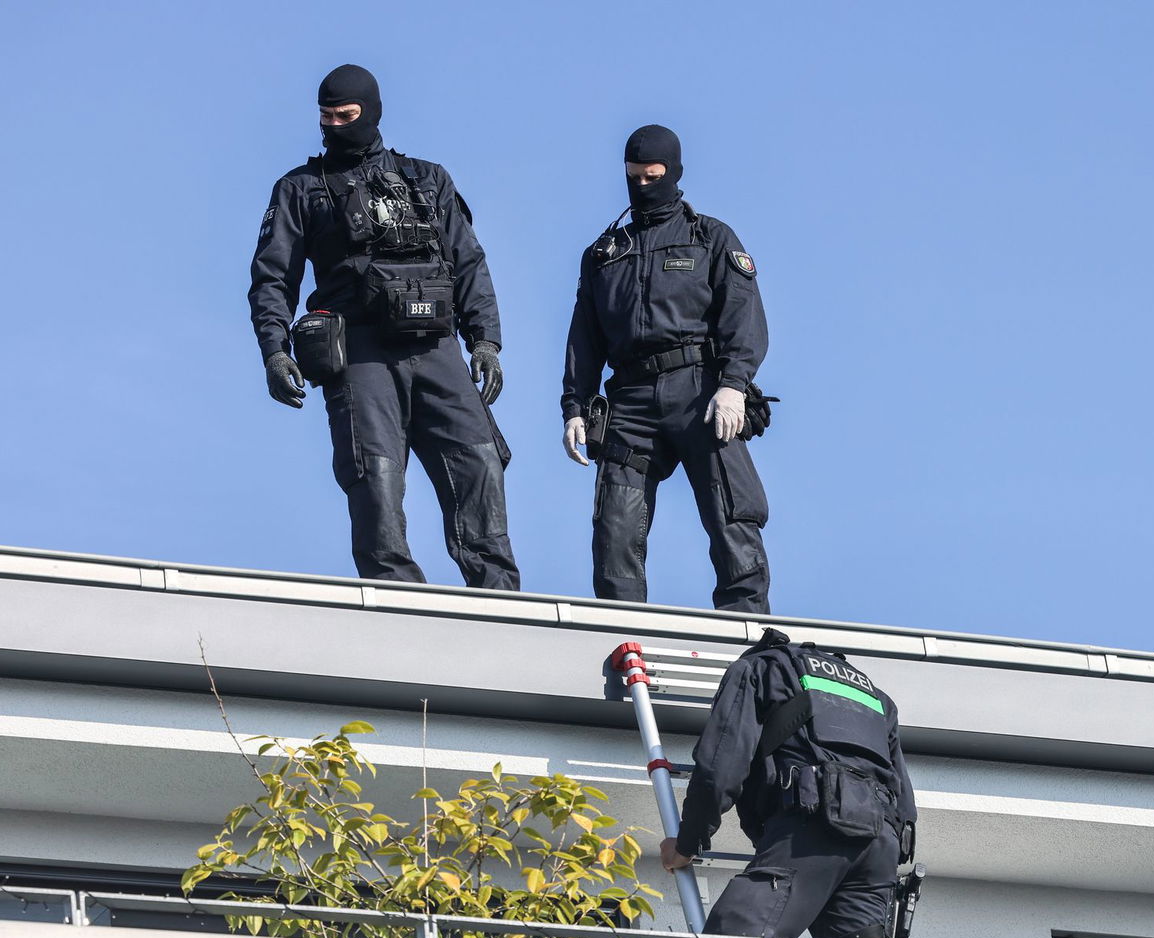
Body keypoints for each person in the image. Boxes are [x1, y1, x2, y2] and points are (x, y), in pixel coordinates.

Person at [249, 64, 520, 589]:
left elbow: (468, 263)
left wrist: (484, 340)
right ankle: (399, 596)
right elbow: (272, 278)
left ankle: (499, 598)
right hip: (361, 351)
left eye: (346, 116)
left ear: (370, 112)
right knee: (374, 475)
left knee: (478, 462)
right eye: (325, 118)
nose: (334, 127)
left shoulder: (428, 178)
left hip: (437, 345)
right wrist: (275, 350)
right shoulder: (300, 189)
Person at [561, 125, 771, 612]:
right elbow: (583, 337)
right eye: (634, 177)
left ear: (674, 173)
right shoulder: (604, 253)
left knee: (731, 514)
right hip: (630, 401)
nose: (643, 187)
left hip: (699, 390)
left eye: (654, 177)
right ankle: (625, 628)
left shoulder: (711, 238)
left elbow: (744, 314)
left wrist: (735, 385)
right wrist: (575, 406)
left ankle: (748, 629)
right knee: (615, 527)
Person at [660, 628, 918, 938]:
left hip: (812, 827)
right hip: (879, 849)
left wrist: (687, 843)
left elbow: (720, 766)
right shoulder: (875, 696)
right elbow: (901, 794)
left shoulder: (759, 668)